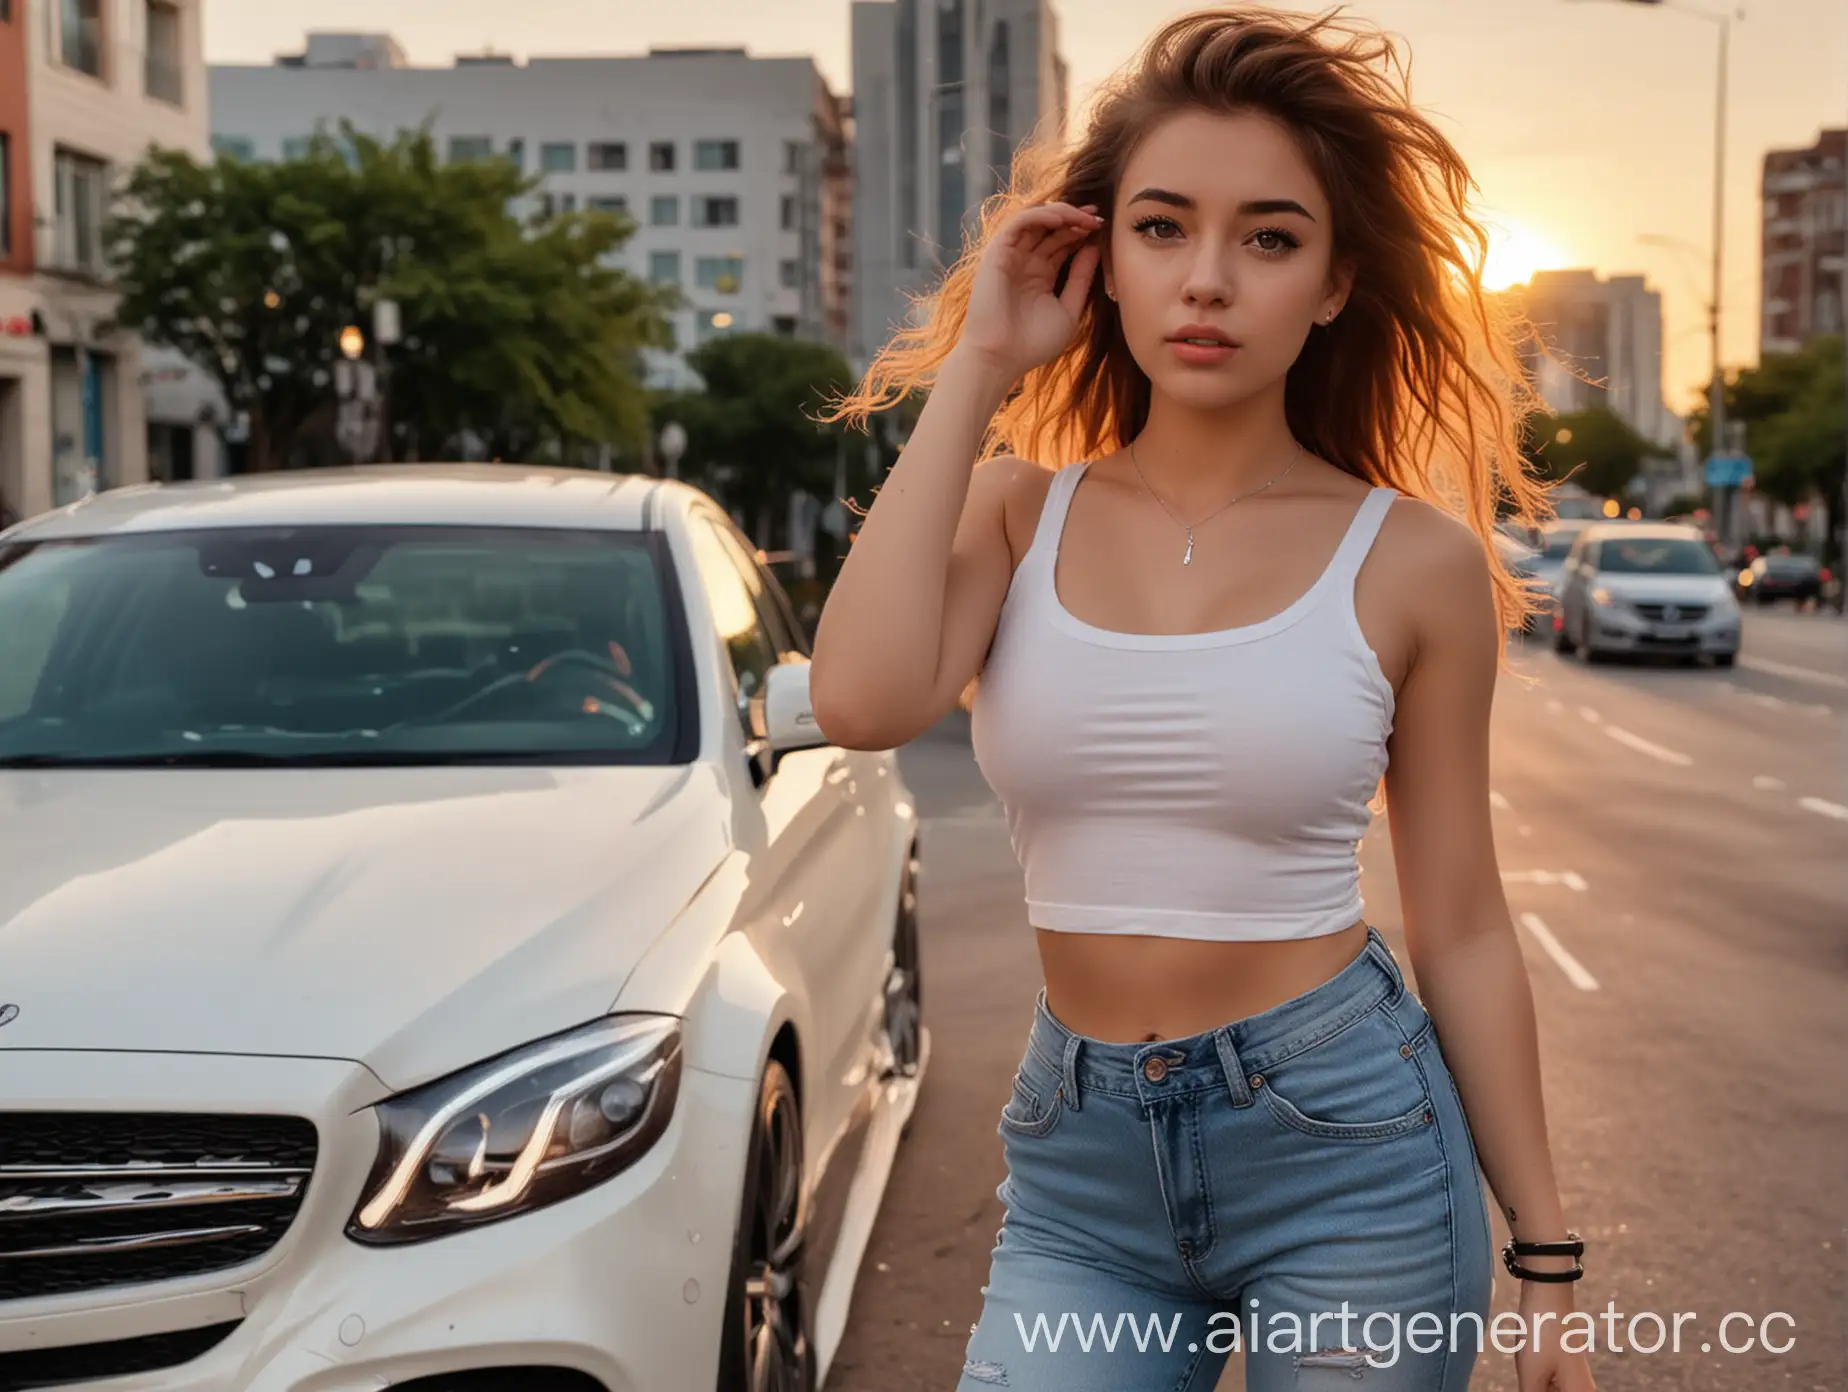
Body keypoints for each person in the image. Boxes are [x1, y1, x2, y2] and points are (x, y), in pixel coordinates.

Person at [810, 7, 1594, 1390]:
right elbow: (863, 698)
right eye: (1163, 228)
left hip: (1349, 1150)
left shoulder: (1413, 561)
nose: (1210, 281)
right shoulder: (1013, 515)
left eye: (1270, 238)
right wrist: (981, 364)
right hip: (1083, 1169)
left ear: (1337, 282)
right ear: (1100, 257)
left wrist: (1546, 1259)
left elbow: (1462, 921)